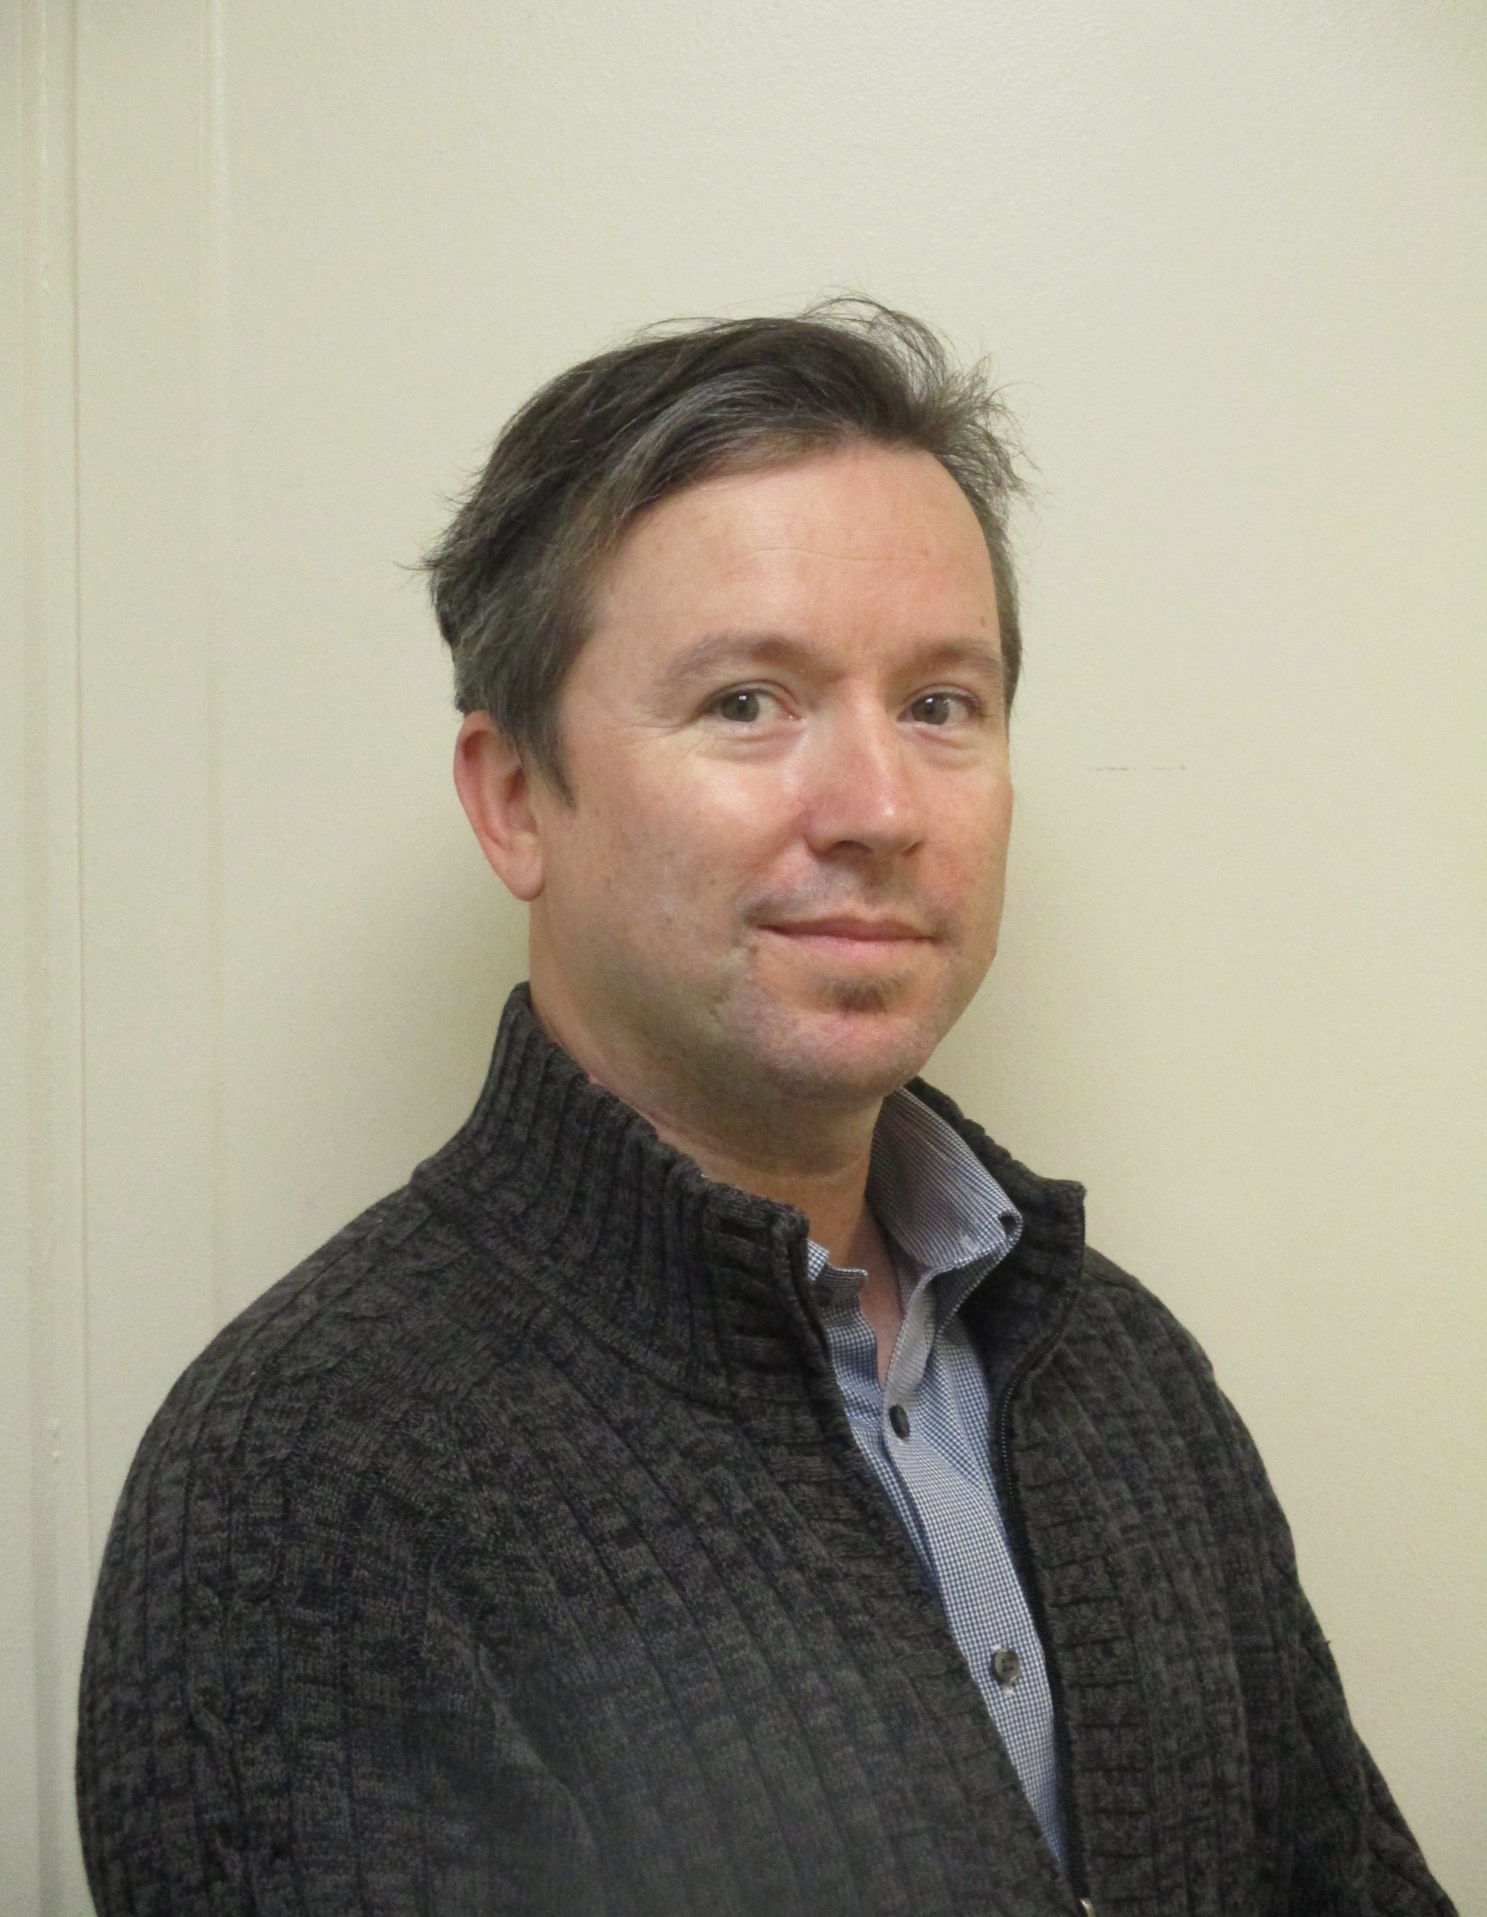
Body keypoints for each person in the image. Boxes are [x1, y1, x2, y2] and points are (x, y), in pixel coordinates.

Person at [77, 304, 1454, 1917]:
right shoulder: (310, 1483)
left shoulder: (1124, 1377)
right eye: (747, 701)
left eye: (941, 705)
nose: (879, 808)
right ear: (514, 800)